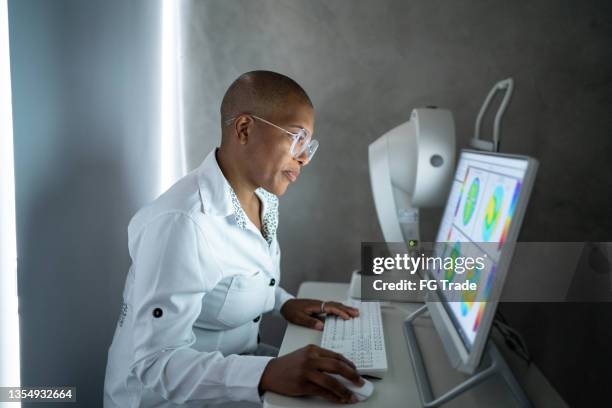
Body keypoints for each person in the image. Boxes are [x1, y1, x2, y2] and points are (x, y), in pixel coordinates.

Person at [104, 71, 364, 407]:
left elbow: (234, 281)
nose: (304, 158)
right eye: (297, 139)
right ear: (244, 129)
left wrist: (281, 302)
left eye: (309, 145)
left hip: (231, 371)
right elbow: (155, 362)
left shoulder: (263, 200)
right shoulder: (183, 224)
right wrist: (265, 374)